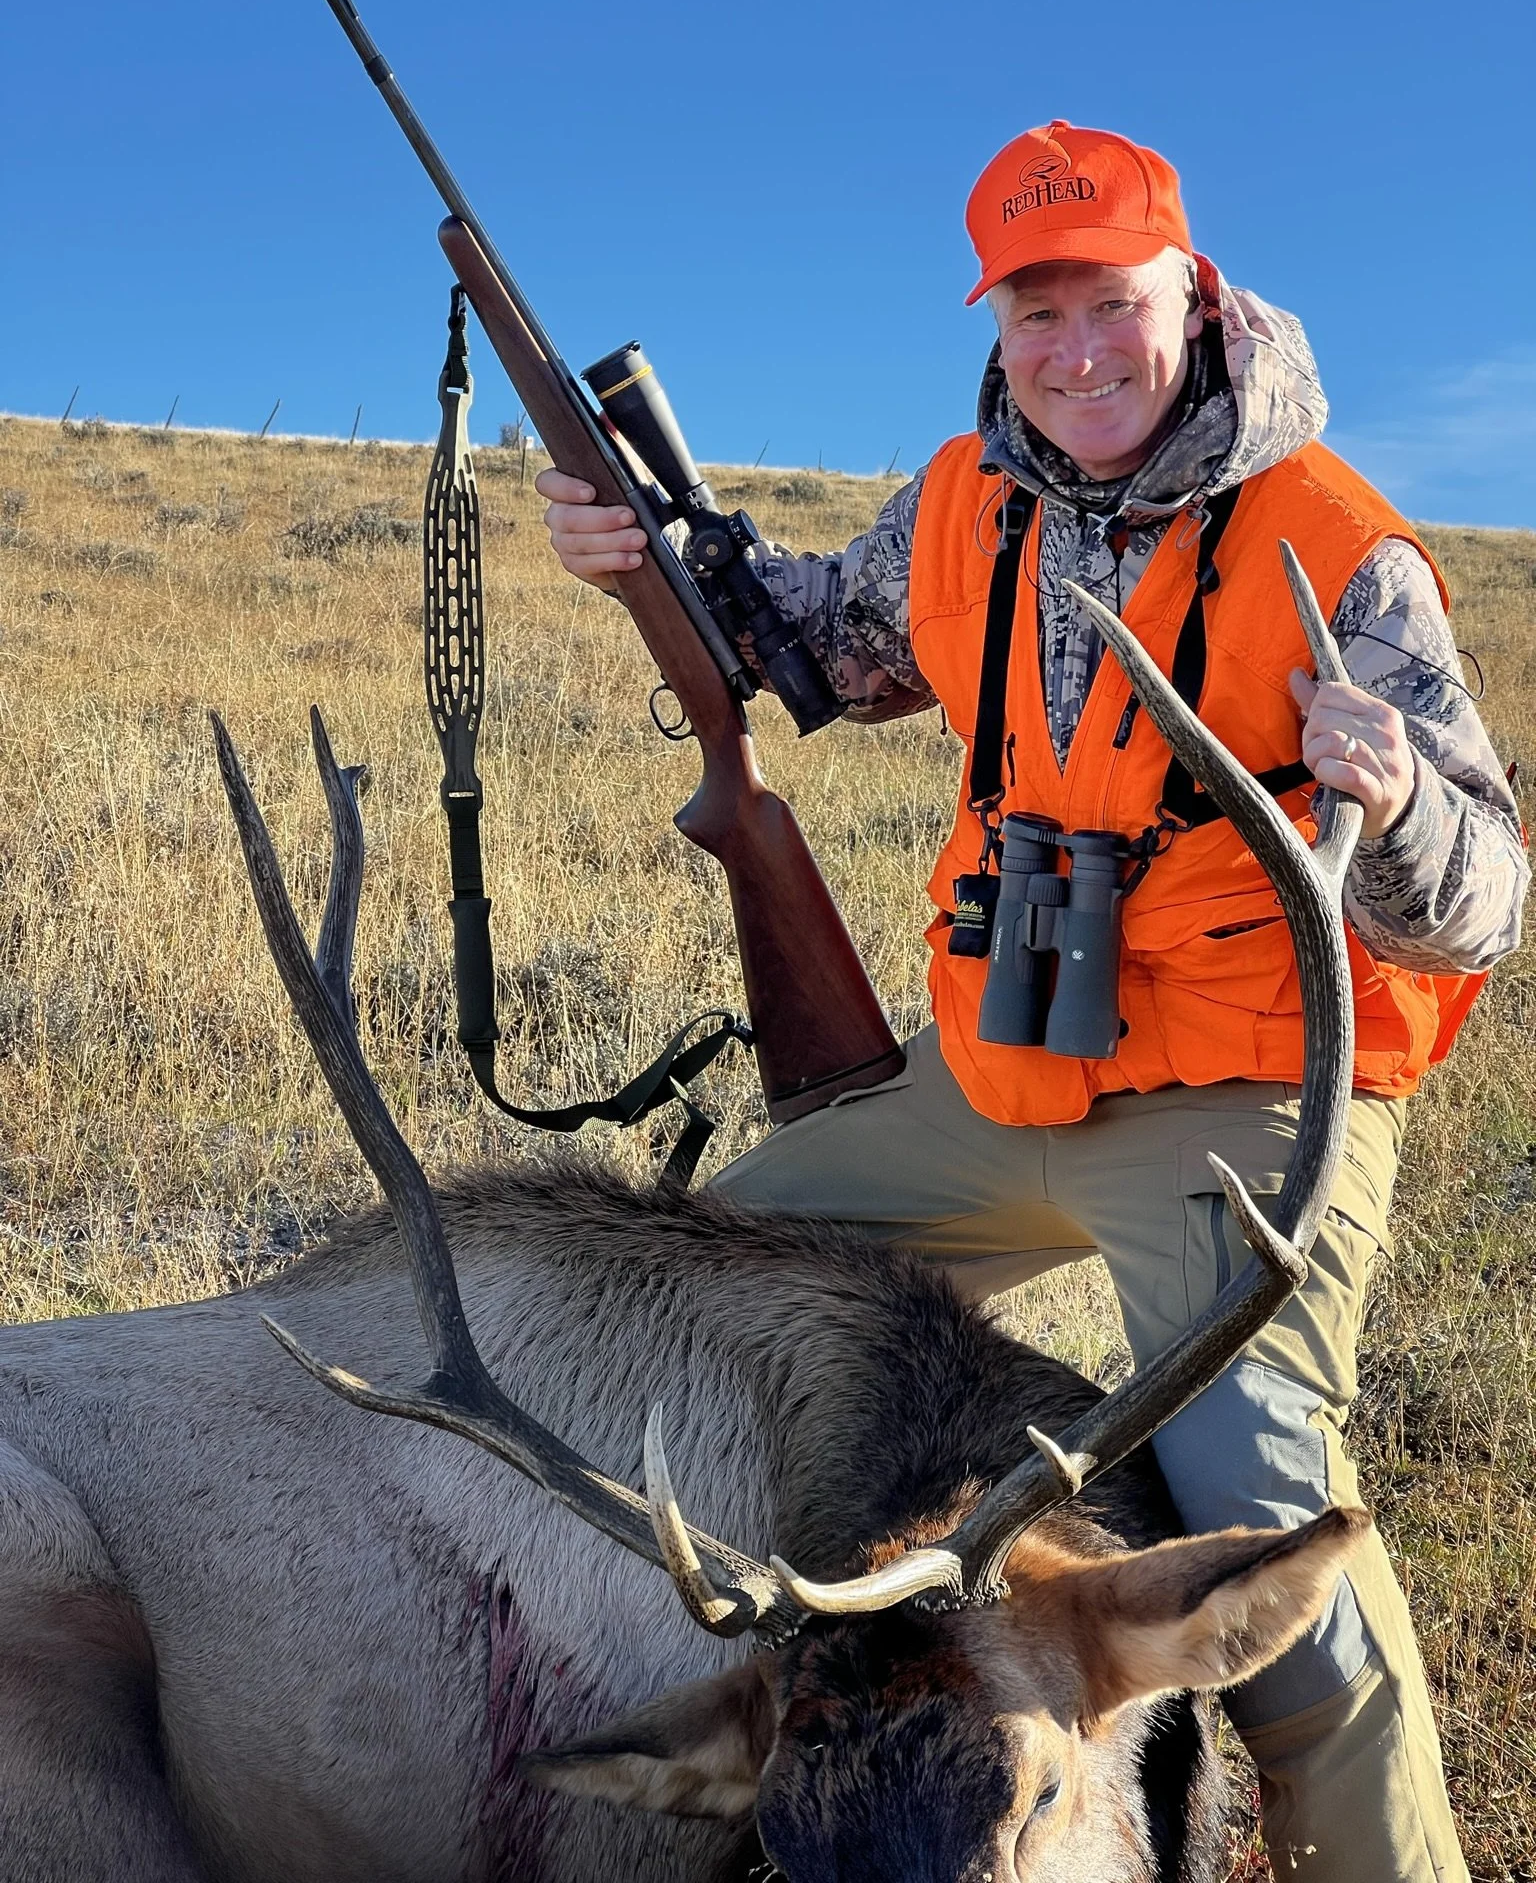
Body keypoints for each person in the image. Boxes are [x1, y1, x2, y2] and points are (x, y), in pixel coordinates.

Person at [539, 120, 1527, 1882]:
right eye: (1036, 314)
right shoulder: (962, 501)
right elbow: (815, 648)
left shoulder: (1334, 551)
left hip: (1237, 1106)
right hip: (1005, 1067)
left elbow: (1482, 916)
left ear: (1195, 293)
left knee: (1269, 1540)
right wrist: (642, 559)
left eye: (1114, 306)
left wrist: (1393, 799)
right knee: (658, 1295)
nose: (1079, 352)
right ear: (996, 326)